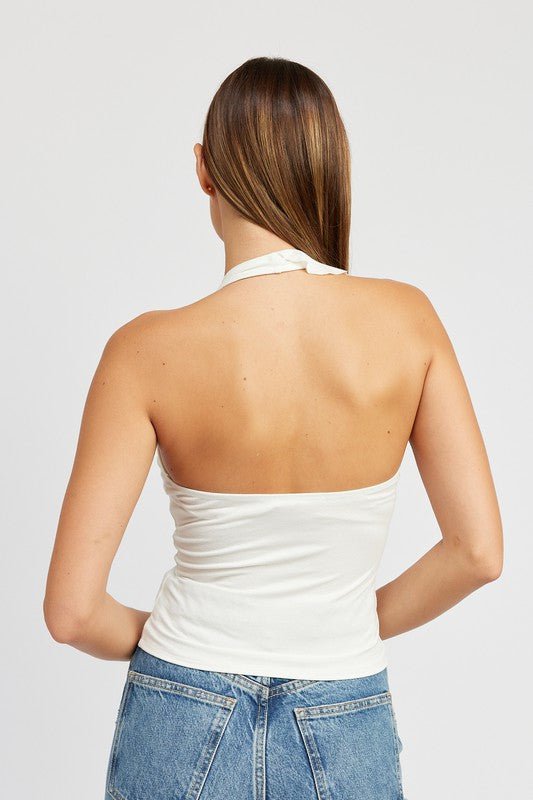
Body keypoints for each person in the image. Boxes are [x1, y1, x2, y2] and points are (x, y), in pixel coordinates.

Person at [43, 56, 503, 800]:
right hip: (344, 706)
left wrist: (186, 638)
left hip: (180, 703)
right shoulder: (408, 322)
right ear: (328, 168)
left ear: (203, 169)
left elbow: (71, 614)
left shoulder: (144, 351)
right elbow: (477, 553)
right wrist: (334, 621)